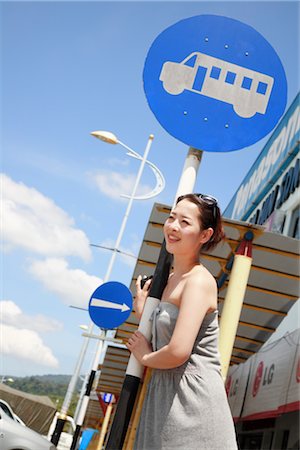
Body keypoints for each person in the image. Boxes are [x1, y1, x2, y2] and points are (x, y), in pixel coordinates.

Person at [126, 193, 238, 450]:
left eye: (185, 222)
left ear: (204, 235)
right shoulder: (170, 279)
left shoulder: (199, 281)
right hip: (165, 394)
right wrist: (145, 312)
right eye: (171, 218)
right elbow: (169, 331)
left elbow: (178, 350)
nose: (173, 226)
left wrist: (144, 357)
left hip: (192, 400)